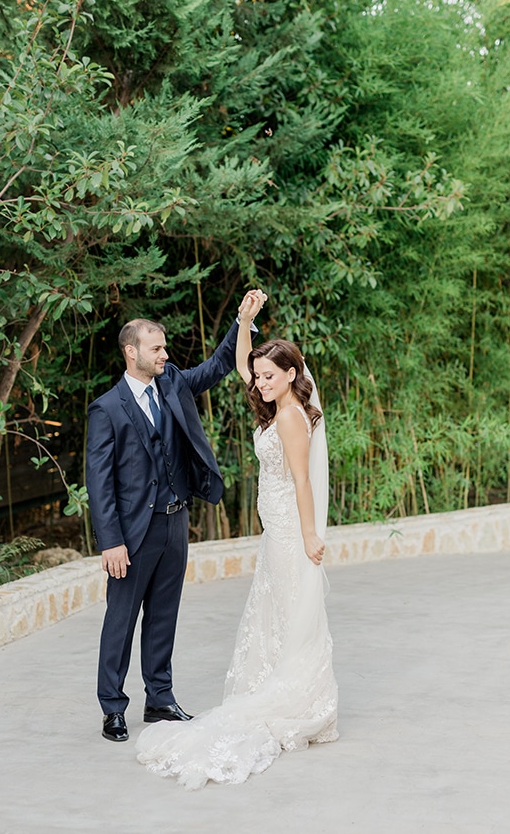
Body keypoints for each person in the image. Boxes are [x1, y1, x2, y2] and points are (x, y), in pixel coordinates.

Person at [136, 294, 338, 788]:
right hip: (275, 530)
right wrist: (244, 321)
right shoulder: (275, 402)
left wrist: (311, 533)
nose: (260, 382)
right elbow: (245, 365)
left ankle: (299, 698)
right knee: (274, 609)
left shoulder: (291, 418)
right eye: (261, 376)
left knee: (293, 609)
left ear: (292, 374)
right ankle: (278, 682)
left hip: (292, 529)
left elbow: (303, 482)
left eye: (270, 375)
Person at [86, 291, 266, 743]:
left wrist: (242, 320)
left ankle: (160, 699)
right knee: (121, 621)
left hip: (174, 523)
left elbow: (221, 363)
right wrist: (111, 541)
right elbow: (99, 481)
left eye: (164, 348)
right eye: (156, 348)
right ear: (132, 352)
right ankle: (113, 708)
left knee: (164, 616)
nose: (165, 354)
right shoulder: (106, 409)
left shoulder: (174, 383)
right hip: (130, 533)